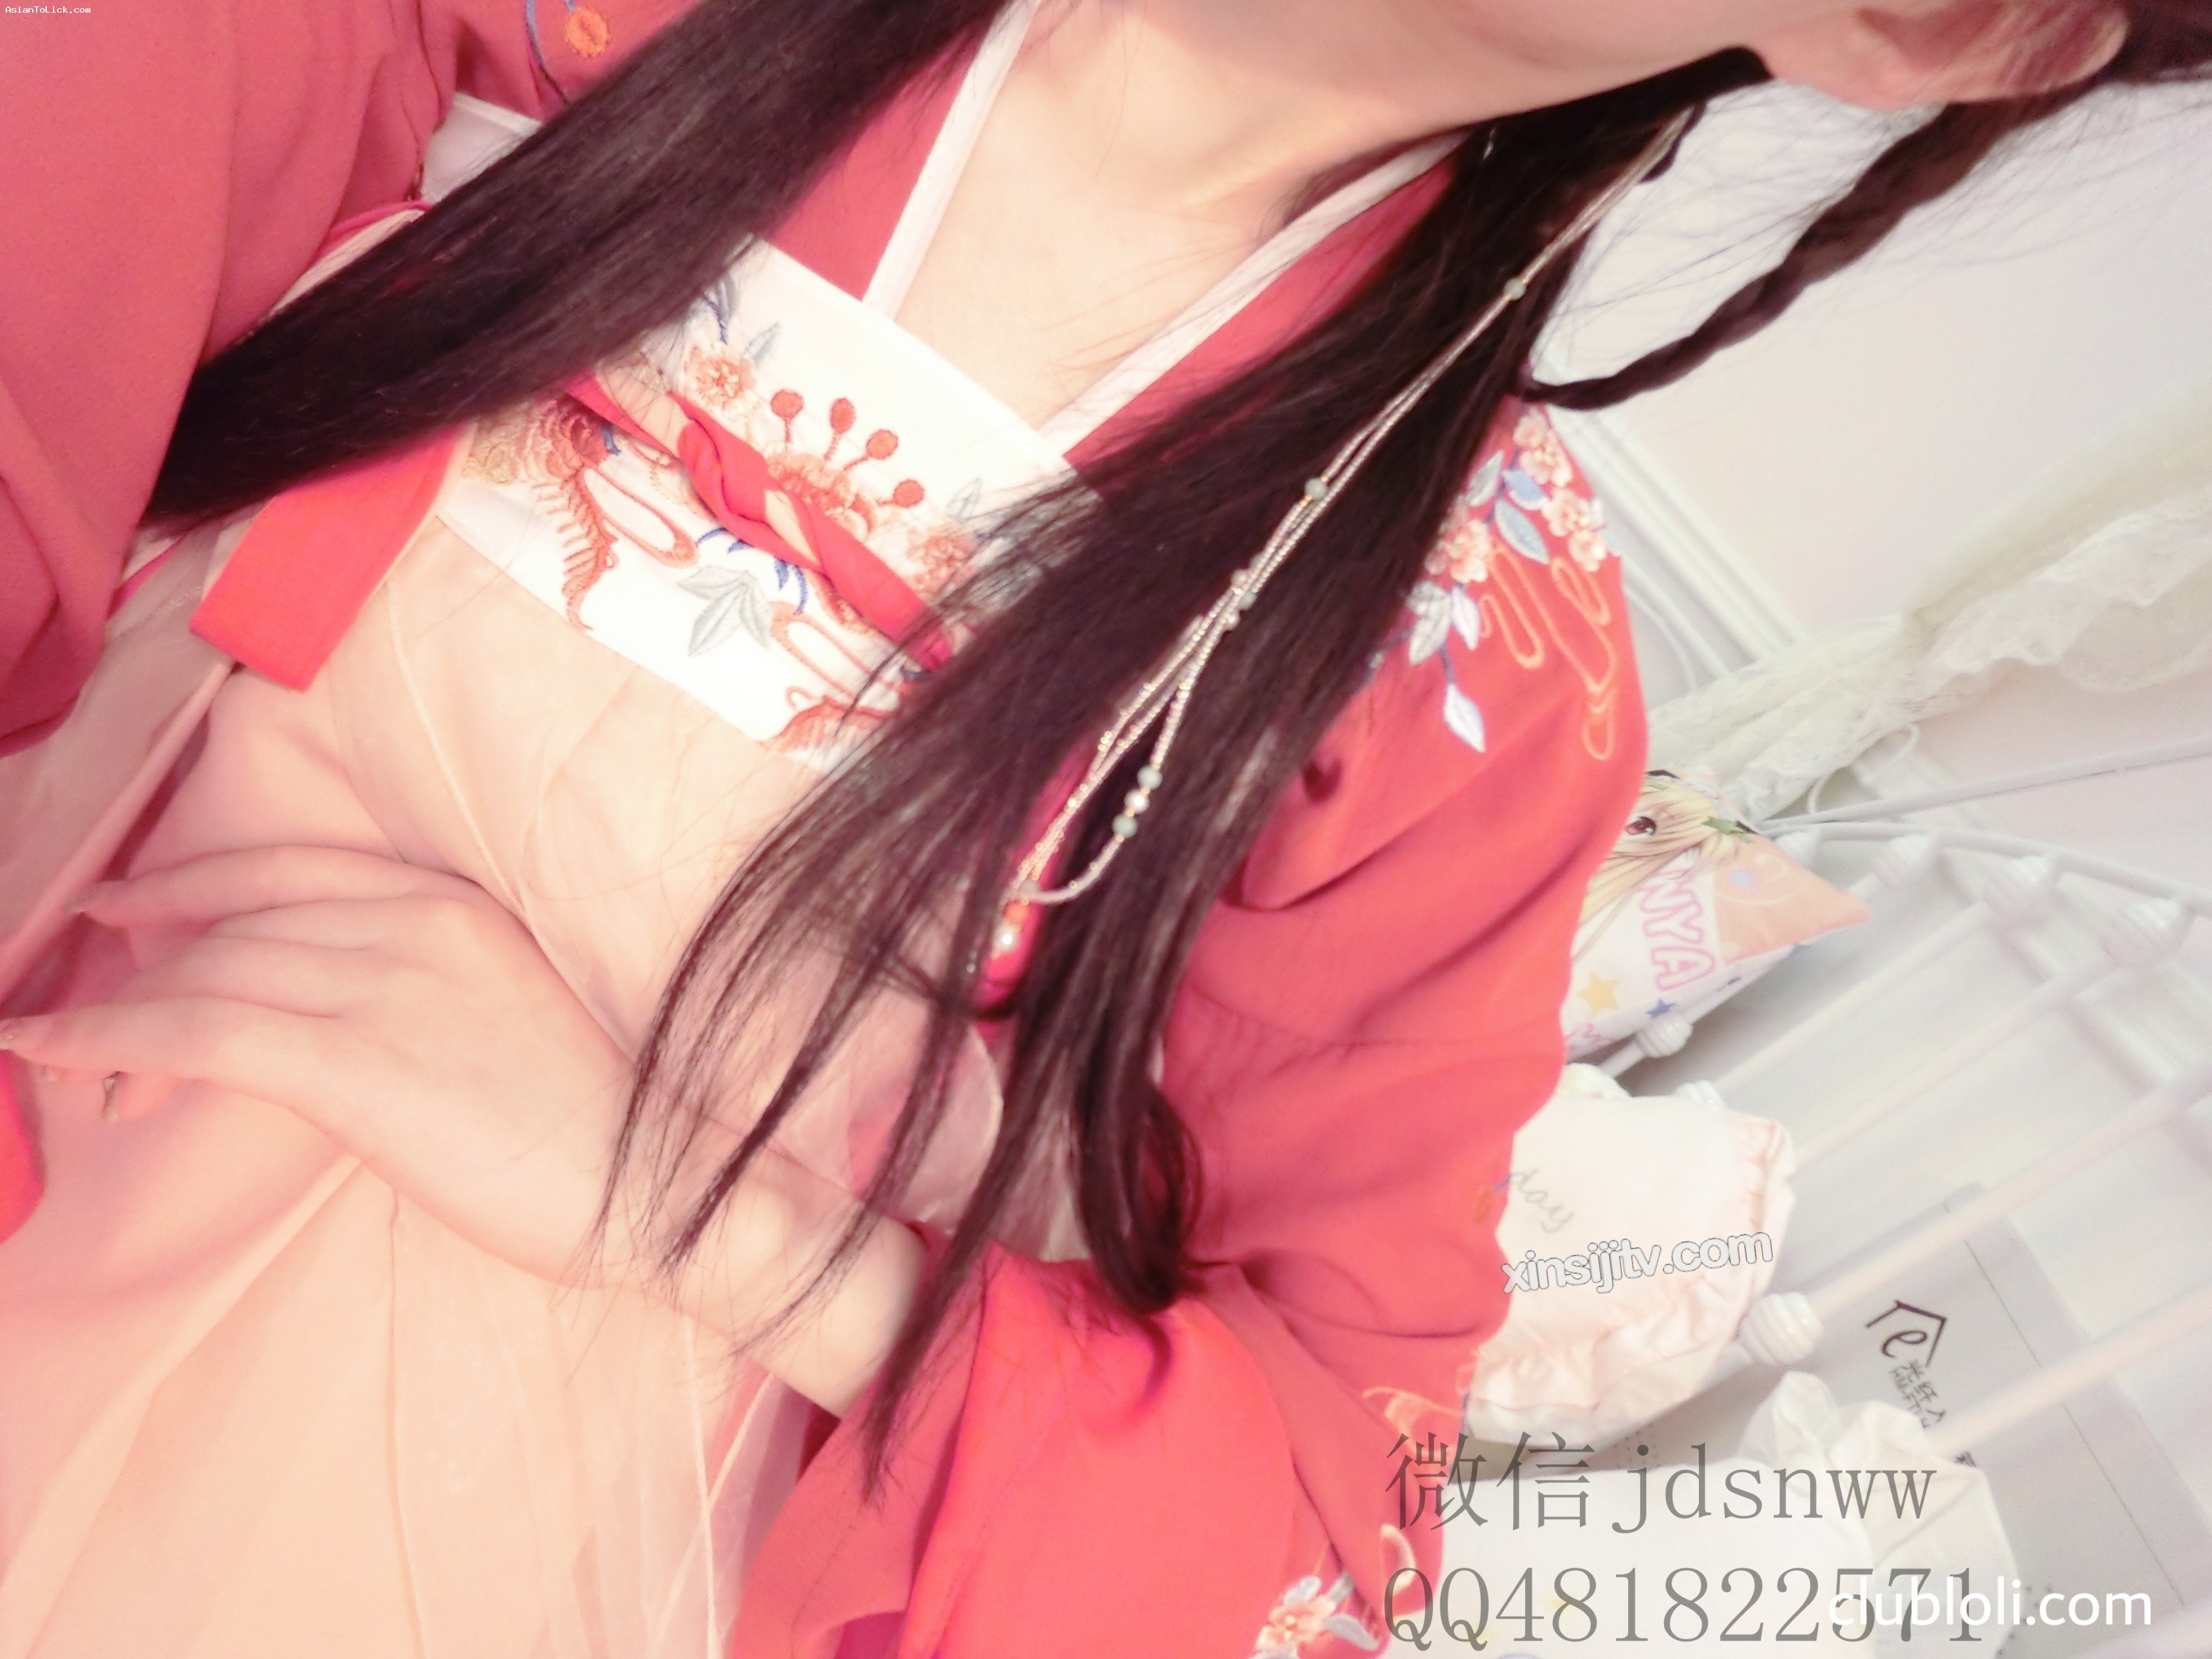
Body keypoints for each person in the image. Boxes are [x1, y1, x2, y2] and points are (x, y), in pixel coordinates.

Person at [0, 1, 2200, 1654]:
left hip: (482, 1508)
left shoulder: (1474, 662)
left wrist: (691, 1210)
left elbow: (1327, 1509)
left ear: (1955, 29)